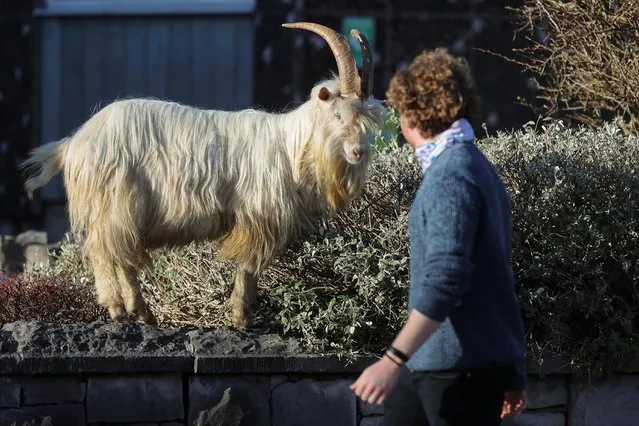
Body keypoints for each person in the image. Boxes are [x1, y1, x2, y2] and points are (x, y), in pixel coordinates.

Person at [350, 48, 528, 425]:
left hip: (454, 373)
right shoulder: (478, 167)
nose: (399, 123)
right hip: (445, 366)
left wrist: (392, 359)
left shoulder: (451, 176)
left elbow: (447, 278)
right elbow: (498, 277)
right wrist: (513, 371)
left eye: (399, 111)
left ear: (415, 114)